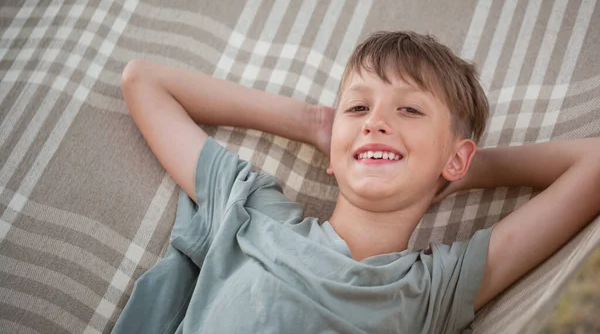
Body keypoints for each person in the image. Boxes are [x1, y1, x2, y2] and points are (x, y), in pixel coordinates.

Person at [113, 31, 600, 334]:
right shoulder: (254, 216)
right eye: (358, 108)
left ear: (457, 158)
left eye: (408, 109)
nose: (375, 122)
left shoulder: (435, 288)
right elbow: (143, 82)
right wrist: (310, 122)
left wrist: (460, 169)